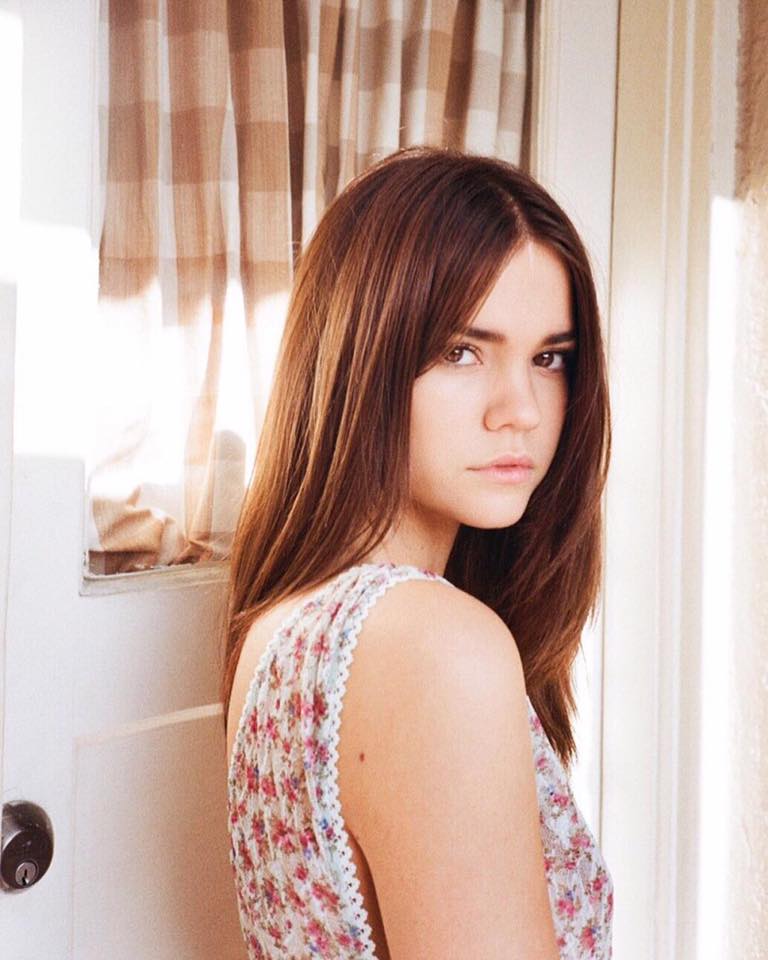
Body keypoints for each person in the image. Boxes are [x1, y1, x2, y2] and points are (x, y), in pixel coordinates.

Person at [222, 145, 613, 959]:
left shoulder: (284, 624)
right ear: (360, 360)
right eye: (462, 351)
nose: (521, 410)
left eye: (550, 358)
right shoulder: (436, 647)